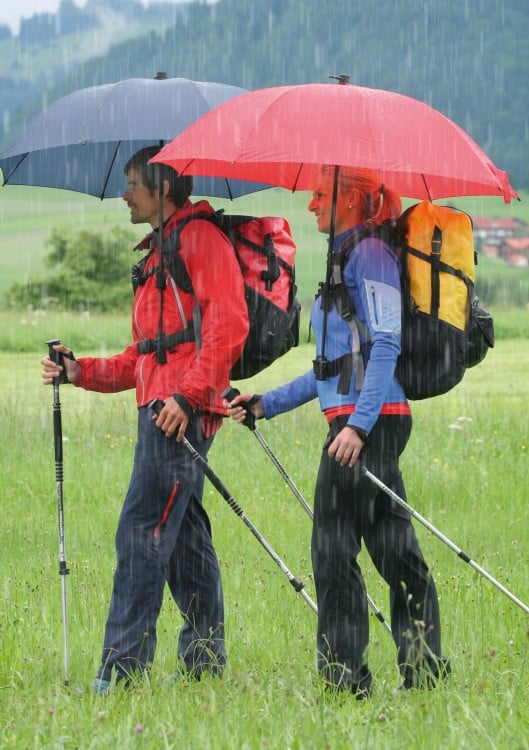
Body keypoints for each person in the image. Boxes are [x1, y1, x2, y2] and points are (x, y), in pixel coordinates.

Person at [225, 165, 449, 698]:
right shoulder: (345, 253)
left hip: (366, 426)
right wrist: (267, 404)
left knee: (332, 550)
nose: (309, 206)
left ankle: (346, 681)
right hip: (364, 421)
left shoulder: (369, 253)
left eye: (319, 195)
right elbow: (331, 367)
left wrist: (358, 427)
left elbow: (387, 345)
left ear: (349, 198)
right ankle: (425, 671)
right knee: (394, 551)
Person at [41, 145, 249, 693]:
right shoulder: (160, 251)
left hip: (178, 415)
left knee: (141, 533)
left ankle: (121, 672)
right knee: (183, 542)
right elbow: (142, 358)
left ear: (163, 188)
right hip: (161, 410)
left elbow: (229, 325)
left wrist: (187, 396)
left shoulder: (200, 239)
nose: (125, 194)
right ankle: (205, 663)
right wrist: (77, 370)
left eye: (133, 183)